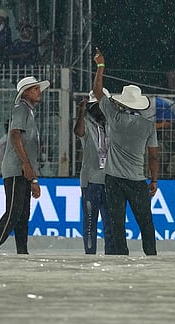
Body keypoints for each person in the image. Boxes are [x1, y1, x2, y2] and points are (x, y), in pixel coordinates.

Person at [92, 48, 159, 256]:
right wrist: (154, 180)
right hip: (137, 179)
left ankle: (121, 256)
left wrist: (101, 67)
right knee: (145, 222)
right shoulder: (148, 125)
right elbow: (154, 155)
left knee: (117, 223)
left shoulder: (114, 117)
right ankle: (151, 255)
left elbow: (97, 92)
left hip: (113, 179)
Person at [0, 76, 49, 255]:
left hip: (23, 169)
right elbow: (14, 135)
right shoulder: (21, 108)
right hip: (16, 168)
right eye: (35, 88)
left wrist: (34, 179)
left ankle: (22, 251)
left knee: (22, 214)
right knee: (14, 211)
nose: (39, 91)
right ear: (26, 93)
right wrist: (26, 164)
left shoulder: (27, 111)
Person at [73, 90, 115, 255]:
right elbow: (78, 132)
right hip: (91, 181)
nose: (99, 109)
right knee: (90, 223)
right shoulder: (87, 122)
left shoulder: (113, 124)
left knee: (110, 224)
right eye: (95, 106)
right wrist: (81, 113)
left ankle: (111, 255)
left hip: (110, 180)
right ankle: (90, 256)